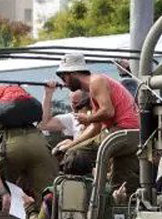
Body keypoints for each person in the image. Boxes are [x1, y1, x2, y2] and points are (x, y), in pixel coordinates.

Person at [52, 52, 140, 186]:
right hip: (131, 135)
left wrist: (87, 118)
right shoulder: (94, 89)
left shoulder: (96, 81)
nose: (63, 83)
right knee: (122, 181)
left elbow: (108, 112)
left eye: (63, 77)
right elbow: (96, 127)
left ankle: (79, 192)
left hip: (122, 132)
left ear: (71, 74)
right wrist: (72, 143)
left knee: (75, 155)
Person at [0, 107, 58, 218]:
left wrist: (4, 194)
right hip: (40, 147)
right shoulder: (30, 126)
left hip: (10, 150)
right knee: (47, 199)